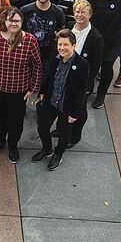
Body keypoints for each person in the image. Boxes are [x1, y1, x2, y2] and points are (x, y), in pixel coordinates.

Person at [0, 7, 42, 164]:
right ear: (5, 21)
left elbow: (37, 66)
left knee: (16, 121)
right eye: (11, 20)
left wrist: (33, 88)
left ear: (22, 22)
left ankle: (12, 146)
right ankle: (0, 141)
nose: (14, 23)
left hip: (19, 90)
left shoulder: (29, 40)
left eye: (17, 20)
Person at [34, 29, 87, 170]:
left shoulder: (82, 64)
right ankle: (47, 149)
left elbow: (82, 91)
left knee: (64, 133)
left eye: (65, 45)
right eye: (60, 45)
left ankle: (58, 154)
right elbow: (49, 76)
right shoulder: (55, 56)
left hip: (67, 105)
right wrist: (43, 92)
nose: (62, 48)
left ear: (74, 45)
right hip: (52, 101)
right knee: (42, 127)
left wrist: (74, 113)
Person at [87, 0, 121, 109]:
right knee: (90, 66)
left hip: (111, 42)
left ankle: (101, 95)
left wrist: (101, 40)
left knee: (106, 68)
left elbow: (118, 25)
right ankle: (88, 89)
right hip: (93, 38)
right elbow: (89, 15)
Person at [69, 0, 103, 148]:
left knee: (79, 109)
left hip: (82, 80)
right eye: (77, 11)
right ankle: (61, 128)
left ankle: (75, 136)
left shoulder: (96, 37)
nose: (79, 14)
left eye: (83, 12)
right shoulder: (69, 28)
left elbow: (95, 64)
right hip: (66, 75)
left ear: (90, 14)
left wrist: (87, 85)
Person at [21, 0, 67, 65]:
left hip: (47, 58)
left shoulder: (58, 12)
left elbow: (61, 32)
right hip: (26, 55)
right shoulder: (24, 11)